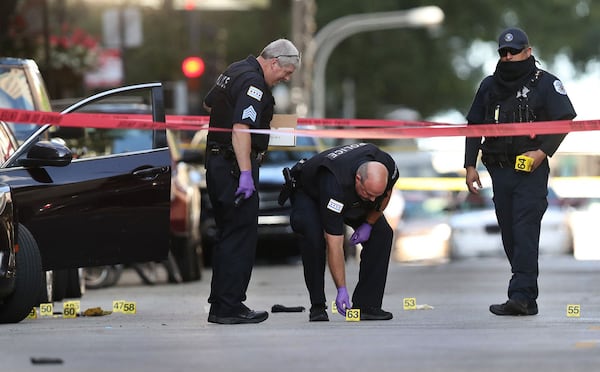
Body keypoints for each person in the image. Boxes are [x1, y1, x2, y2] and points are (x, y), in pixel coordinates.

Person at [464, 28, 576, 316]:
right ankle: (527, 296)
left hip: (530, 171)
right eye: (503, 52)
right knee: (510, 235)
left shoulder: (545, 83)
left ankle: (520, 295)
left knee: (525, 231)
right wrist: (469, 165)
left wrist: (542, 152)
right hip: (499, 170)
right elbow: (475, 125)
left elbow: (564, 120)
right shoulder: (490, 85)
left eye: (514, 51)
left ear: (528, 51)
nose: (509, 56)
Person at [202, 38, 301, 324]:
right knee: (240, 236)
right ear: (273, 62)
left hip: (219, 163)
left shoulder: (234, 70)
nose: (286, 78)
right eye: (286, 72)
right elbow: (241, 128)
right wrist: (246, 173)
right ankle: (230, 307)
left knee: (227, 234)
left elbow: (210, 104)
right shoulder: (254, 84)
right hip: (234, 168)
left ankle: (221, 303)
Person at [287, 142, 399, 321]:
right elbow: (335, 243)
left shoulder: (388, 166)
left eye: (375, 195)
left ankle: (367, 305)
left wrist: (369, 224)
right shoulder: (334, 183)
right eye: (368, 193)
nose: (372, 199)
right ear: (358, 179)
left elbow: (385, 195)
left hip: (349, 193)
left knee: (382, 233)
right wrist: (341, 289)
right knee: (314, 238)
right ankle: (317, 306)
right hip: (310, 193)